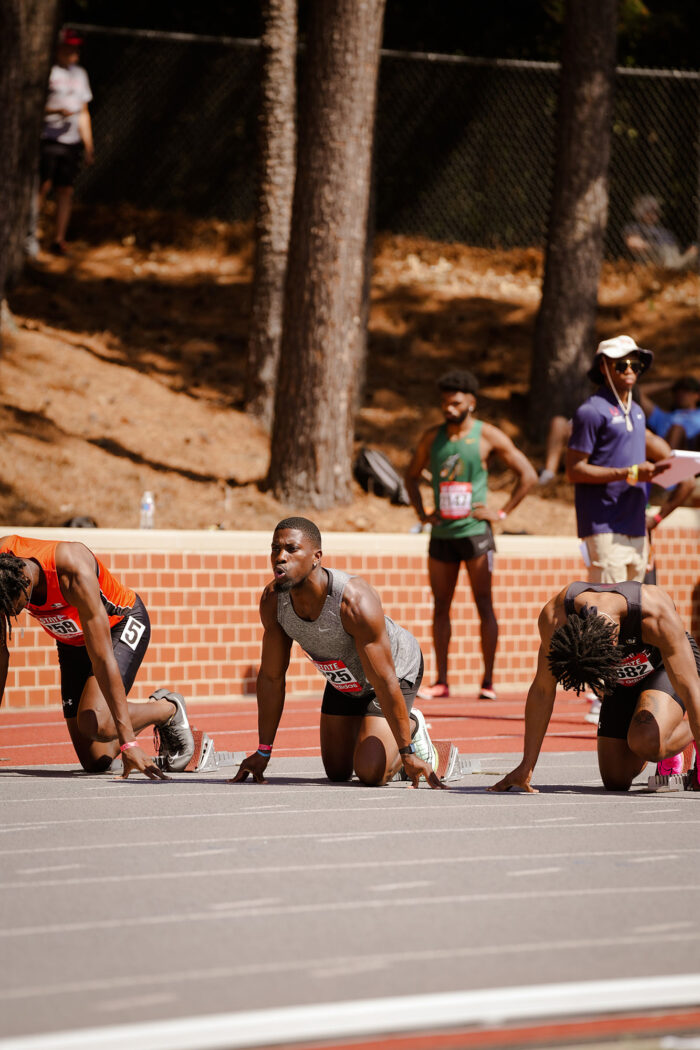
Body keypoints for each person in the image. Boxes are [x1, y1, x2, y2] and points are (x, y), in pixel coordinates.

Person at [232, 517, 444, 789]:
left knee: (370, 773)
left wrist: (407, 751)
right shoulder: (274, 601)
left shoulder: (353, 601)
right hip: (345, 678)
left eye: (291, 549)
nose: (280, 557)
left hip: (394, 671)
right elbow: (272, 677)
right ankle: (380, 735)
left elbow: (384, 680)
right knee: (337, 771)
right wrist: (263, 751)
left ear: (316, 557)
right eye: (275, 549)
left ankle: (412, 729)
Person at [0, 534, 194, 778]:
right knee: (94, 760)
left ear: (26, 584)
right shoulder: (3, 570)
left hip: (120, 624)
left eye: (14, 608)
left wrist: (129, 744)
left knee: (96, 722)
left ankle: (168, 710)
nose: (12, 615)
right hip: (71, 639)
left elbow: (103, 659)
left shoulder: (72, 571)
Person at [488, 580, 700, 794]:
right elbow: (542, 690)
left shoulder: (654, 614)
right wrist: (526, 766)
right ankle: (662, 735)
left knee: (646, 741)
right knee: (615, 779)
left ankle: (672, 734)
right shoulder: (555, 617)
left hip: (663, 668)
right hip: (621, 679)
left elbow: (691, 687)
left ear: (614, 643)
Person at [404, 369, 537, 700]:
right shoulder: (431, 438)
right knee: (440, 606)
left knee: (483, 603)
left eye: (456, 402)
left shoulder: (487, 435)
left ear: (471, 403)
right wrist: (423, 514)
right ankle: (442, 681)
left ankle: (488, 681)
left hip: (476, 532)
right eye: (445, 403)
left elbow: (528, 474)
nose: (449, 408)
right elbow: (409, 476)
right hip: (442, 534)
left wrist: (502, 512)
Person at [566, 335, 674, 586]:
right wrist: (629, 472)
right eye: (621, 365)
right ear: (603, 367)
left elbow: (652, 458)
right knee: (608, 608)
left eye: (635, 366)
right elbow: (574, 471)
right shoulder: (591, 411)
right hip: (603, 523)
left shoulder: (636, 411)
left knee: (635, 610)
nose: (629, 371)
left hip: (635, 523)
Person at [37, 28, 94, 255]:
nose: (74, 52)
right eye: (70, 47)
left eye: (76, 48)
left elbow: (84, 112)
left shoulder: (80, 74)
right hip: (47, 139)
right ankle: (31, 238)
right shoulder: (47, 72)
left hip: (71, 142)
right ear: (60, 48)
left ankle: (58, 240)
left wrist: (89, 146)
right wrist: (54, 111)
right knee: (42, 187)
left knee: (65, 190)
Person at [622, 195, 697, 271]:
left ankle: (682, 263)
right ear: (641, 212)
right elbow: (632, 242)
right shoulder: (634, 227)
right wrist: (653, 247)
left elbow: (676, 248)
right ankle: (675, 267)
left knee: (694, 248)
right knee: (665, 250)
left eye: (655, 212)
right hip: (653, 257)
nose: (653, 215)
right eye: (649, 211)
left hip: (672, 256)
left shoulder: (665, 232)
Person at [638, 375, 700, 452]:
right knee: (676, 429)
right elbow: (637, 392)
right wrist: (671, 384)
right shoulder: (663, 416)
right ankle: (670, 460)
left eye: (687, 390)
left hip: (694, 450)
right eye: (677, 390)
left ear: (697, 395)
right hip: (666, 451)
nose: (681, 394)